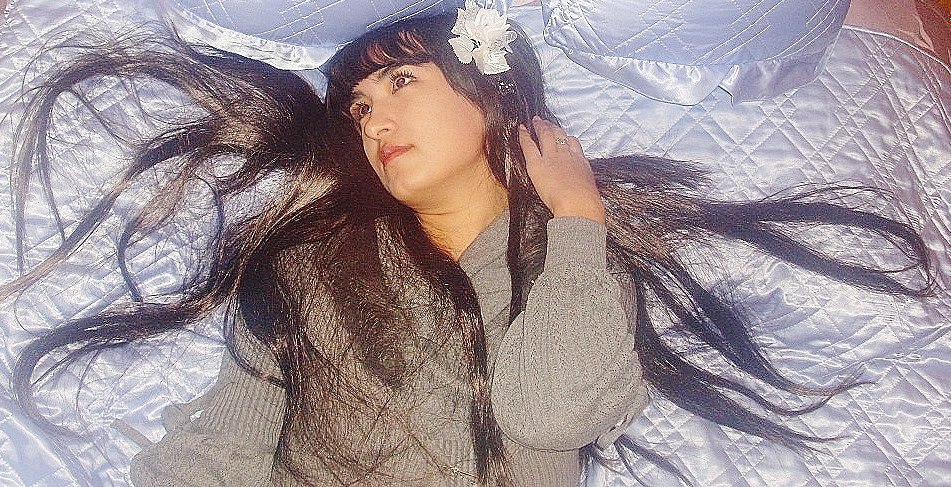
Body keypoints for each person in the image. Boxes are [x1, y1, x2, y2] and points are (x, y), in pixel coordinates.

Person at [5, 3, 933, 487]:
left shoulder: (569, 267)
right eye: (358, 107)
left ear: (490, 94)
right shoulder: (307, 265)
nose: (373, 121)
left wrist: (577, 219)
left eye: (402, 83)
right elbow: (223, 445)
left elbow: (552, 411)